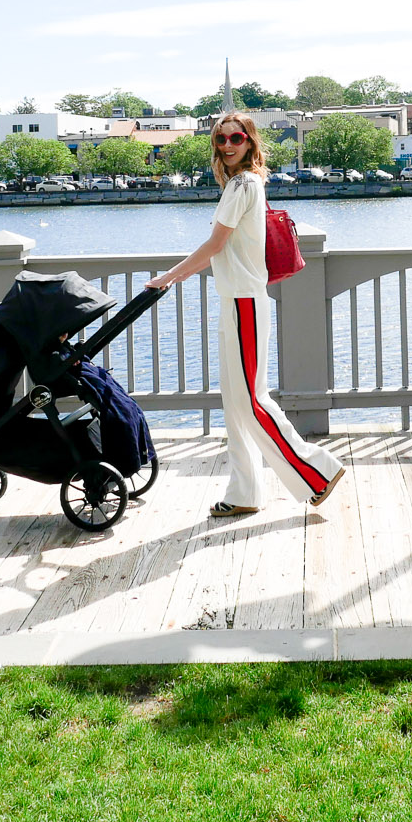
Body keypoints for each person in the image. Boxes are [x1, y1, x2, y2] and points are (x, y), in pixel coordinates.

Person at [147, 110, 344, 517]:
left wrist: (168, 277)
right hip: (237, 302)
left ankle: (316, 471)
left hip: (243, 303)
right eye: (221, 140)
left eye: (236, 138)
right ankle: (244, 491)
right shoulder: (245, 184)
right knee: (236, 403)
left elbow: (215, 244)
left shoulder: (242, 185)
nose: (228, 146)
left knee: (251, 401)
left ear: (250, 142)